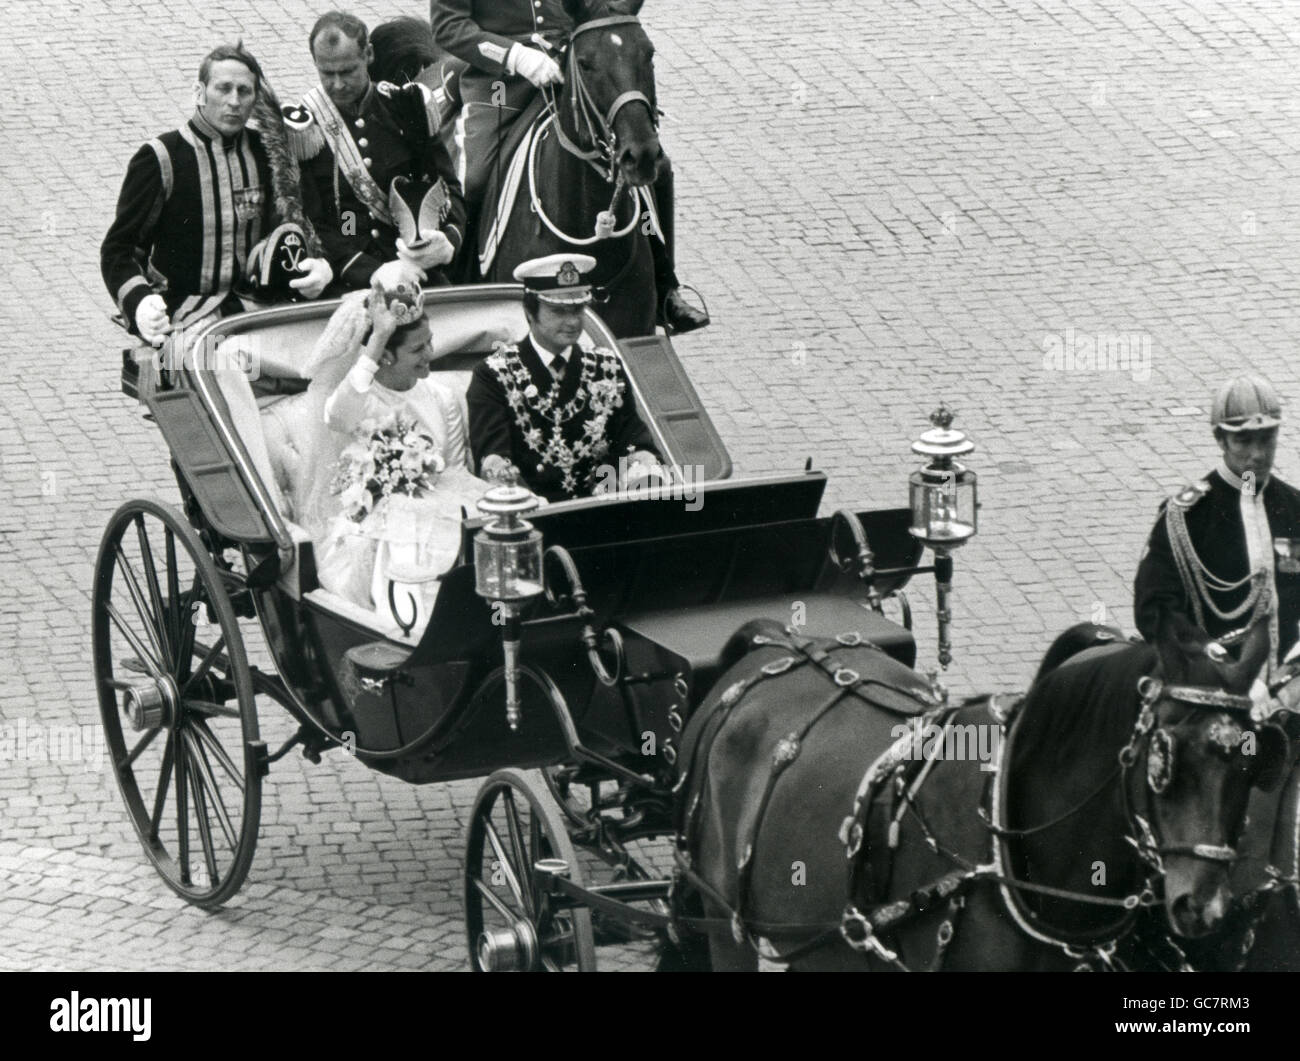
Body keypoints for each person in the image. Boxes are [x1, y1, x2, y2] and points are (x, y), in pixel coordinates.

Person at [429, 0, 710, 334]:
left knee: (653, 166)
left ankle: (665, 285)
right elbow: (449, 27)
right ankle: (459, 290)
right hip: (501, 85)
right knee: (474, 179)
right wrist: (516, 56)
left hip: (579, 66)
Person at [101, 43, 333, 346]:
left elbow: (324, 221)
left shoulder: (271, 152)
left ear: (255, 100)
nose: (234, 101)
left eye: (244, 91)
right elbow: (120, 250)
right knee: (231, 368)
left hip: (260, 310)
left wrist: (321, 264)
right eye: (223, 89)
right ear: (200, 93)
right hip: (184, 316)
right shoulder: (160, 157)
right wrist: (140, 303)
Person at [297, 263, 487, 630]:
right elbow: (337, 415)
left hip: (440, 510)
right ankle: (415, 626)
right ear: (386, 355)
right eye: (418, 348)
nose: (431, 352)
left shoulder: (442, 397)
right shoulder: (359, 398)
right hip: (373, 521)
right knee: (402, 526)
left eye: (430, 341)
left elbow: (454, 471)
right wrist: (377, 339)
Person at [285, 11, 467, 292]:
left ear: (368, 55)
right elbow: (312, 222)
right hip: (347, 280)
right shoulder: (305, 130)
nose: (337, 84)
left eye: (347, 71)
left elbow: (448, 189)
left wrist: (448, 242)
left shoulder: (407, 108)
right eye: (326, 73)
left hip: (416, 270)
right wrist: (369, 271)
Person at [1134, 373, 1300, 672]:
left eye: (1267, 439)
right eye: (1243, 441)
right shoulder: (1185, 518)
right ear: (1220, 439)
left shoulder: (1295, 508)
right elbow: (1156, 607)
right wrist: (1211, 660)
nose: (1258, 454)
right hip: (1214, 684)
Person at [466, 253, 664, 501]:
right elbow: (493, 458)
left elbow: (633, 440)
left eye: (578, 309)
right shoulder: (494, 375)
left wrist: (644, 471)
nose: (572, 321)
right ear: (529, 311)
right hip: (530, 514)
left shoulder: (607, 367)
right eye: (558, 311)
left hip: (602, 510)